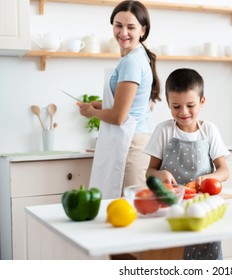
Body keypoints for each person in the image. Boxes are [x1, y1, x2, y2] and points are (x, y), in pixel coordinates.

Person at [144, 68, 230, 260]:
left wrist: (209, 178)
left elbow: (224, 170)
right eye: (176, 106)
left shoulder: (209, 130)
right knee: (173, 254)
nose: (183, 112)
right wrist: (160, 174)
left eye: (190, 105)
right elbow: (150, 172)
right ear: (168, 104)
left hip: (204, 206)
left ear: (202, 101)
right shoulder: (163, 130)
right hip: (171, 206)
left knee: (207, 254)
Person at [78, 0, 160, 199]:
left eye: (131, 27)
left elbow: (118, 117)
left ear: (142, 30)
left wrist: (91, 112)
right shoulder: (136, 56)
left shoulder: (131, 62)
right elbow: (127, 105)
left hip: (131, 145)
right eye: (118, 25)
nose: (123, 32)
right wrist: (99, 105)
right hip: (135, 141)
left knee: (130, 211)